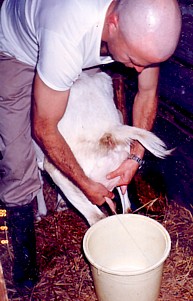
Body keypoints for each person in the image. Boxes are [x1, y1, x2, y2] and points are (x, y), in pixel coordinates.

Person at [0, 0, 181, 290]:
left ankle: (124, 198)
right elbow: (44, 127)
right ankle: (24, 269)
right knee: (17, 156)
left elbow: (147, 93)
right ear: (114, 23)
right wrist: (85, 185)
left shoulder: (142, 28)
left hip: (85, 46)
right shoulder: (66, 31)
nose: (136, 69)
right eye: (135, 59)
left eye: (146, 63)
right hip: (18, 48)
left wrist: (135, 158)